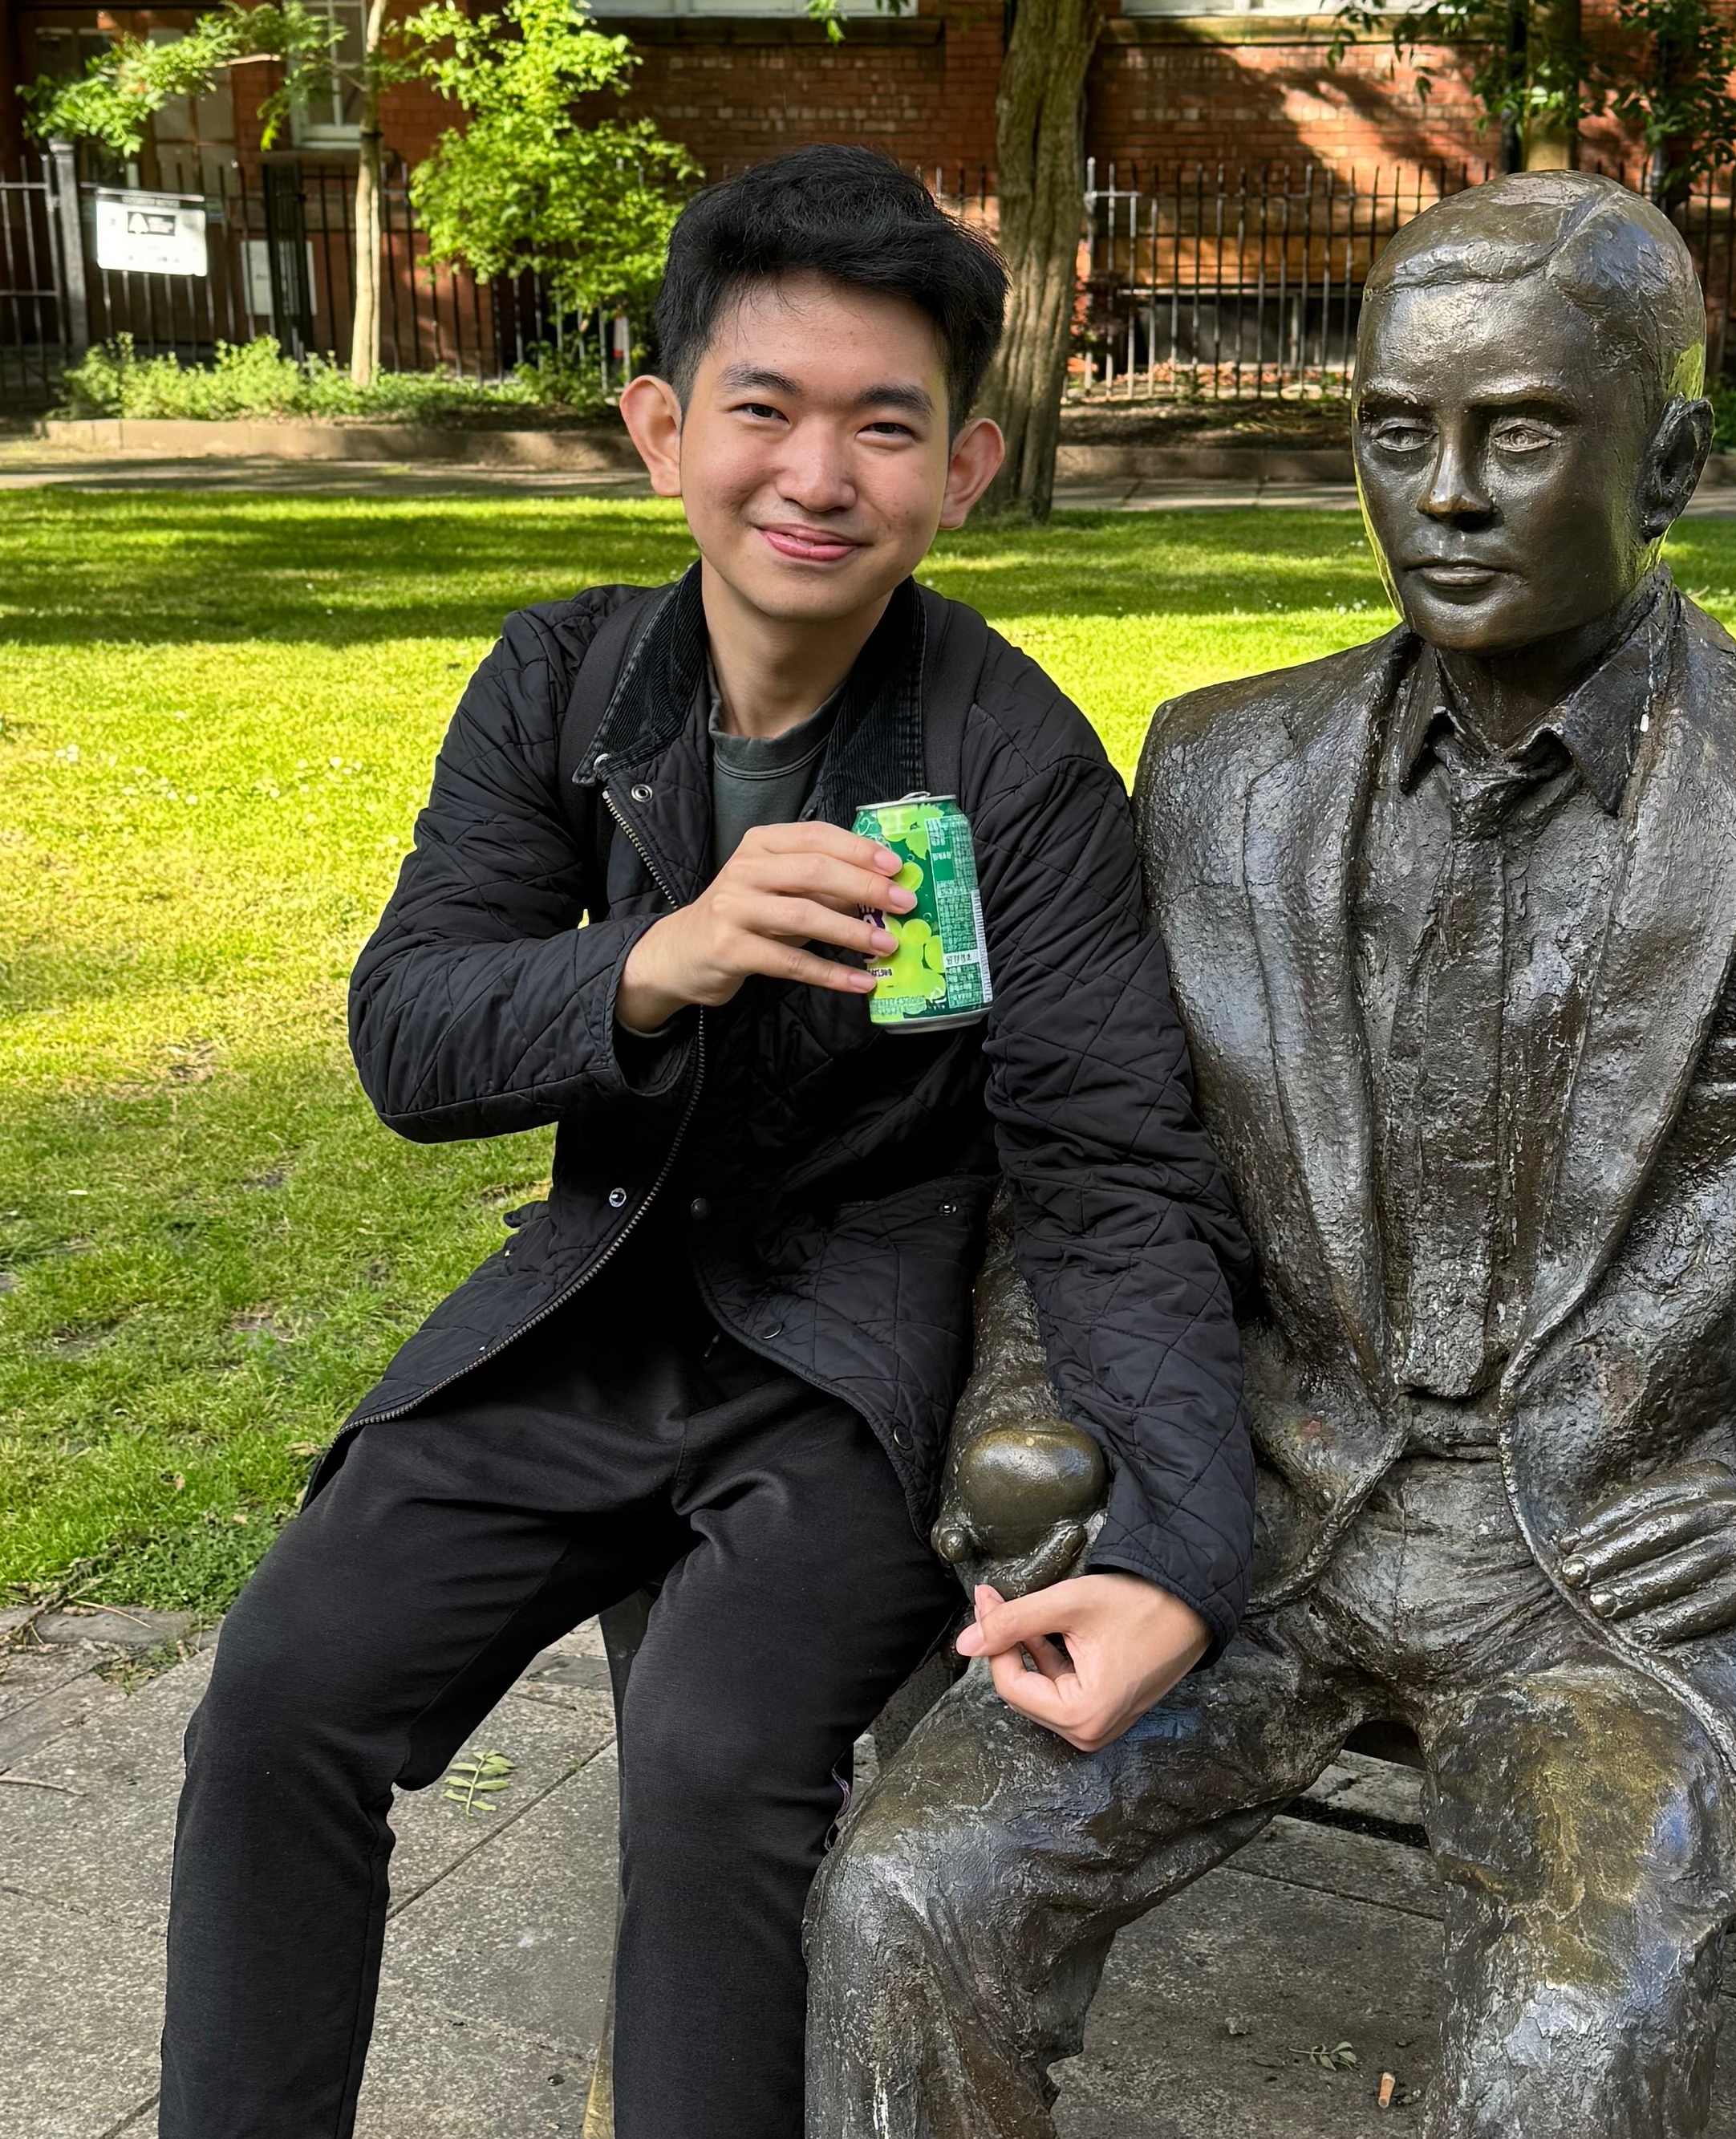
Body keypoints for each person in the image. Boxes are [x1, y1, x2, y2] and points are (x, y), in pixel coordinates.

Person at [805, 172, 1736, 2139]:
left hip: (1629, 1598)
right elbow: (1091, 1198)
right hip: (1253, 1534)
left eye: (1518, 433)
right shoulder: (1221, 772)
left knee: (1558, 2046)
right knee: (904, 1895)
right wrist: (1039, 1436)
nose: (1445, 491)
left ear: (1667, 459)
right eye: (1395, 431)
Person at [157, 145, 1254, 2139]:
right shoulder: (562, 684)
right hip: (594, 1304)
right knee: (282, 1694)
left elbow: (1111, 1167)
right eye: (763, 408)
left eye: (882, 427)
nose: (816, 474)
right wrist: (649, 960)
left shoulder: (1009, 755)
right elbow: (408, 1031)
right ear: (663, 427)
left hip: (848, 1358)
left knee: (715, 1751)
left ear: (966, 471)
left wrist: (1180, 1540)